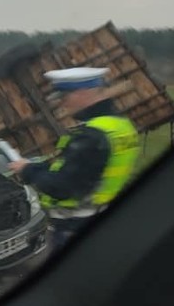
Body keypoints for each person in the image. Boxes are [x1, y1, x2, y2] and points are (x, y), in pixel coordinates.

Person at [8, 67, 140, 252]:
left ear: (81, 93)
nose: (63, 104)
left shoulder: (92, 135)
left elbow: (61, 188)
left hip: (75, 225)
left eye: (64, 97)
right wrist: (36, 166)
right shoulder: (121, 126)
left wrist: (26, 170)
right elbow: (79, 167)